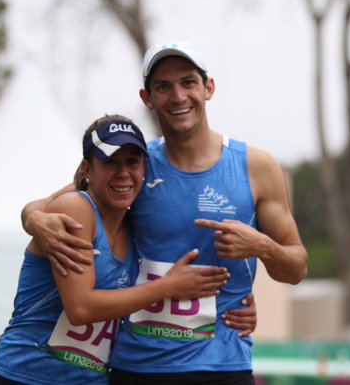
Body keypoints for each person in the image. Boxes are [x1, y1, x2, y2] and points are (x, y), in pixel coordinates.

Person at [22, 42, 308, 385]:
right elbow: (45, 206)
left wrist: (262, 246)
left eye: (188, 82)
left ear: (208, 88)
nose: (178, 96)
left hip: (222, 367)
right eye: (163, 87)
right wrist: (33, 220)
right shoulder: (136, 167)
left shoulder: (255, 167)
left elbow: (296, 267)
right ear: (147, 98)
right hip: (139, 368)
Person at [0, 114, 232, 385]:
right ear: (87, 169)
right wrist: (166, 287)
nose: (123, 173)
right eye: (110, 162)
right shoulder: (76, 209)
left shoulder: (135, 224)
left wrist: (234, 305)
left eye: (132, 162)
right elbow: (80, 309)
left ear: (144, 169)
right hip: (24, 376)